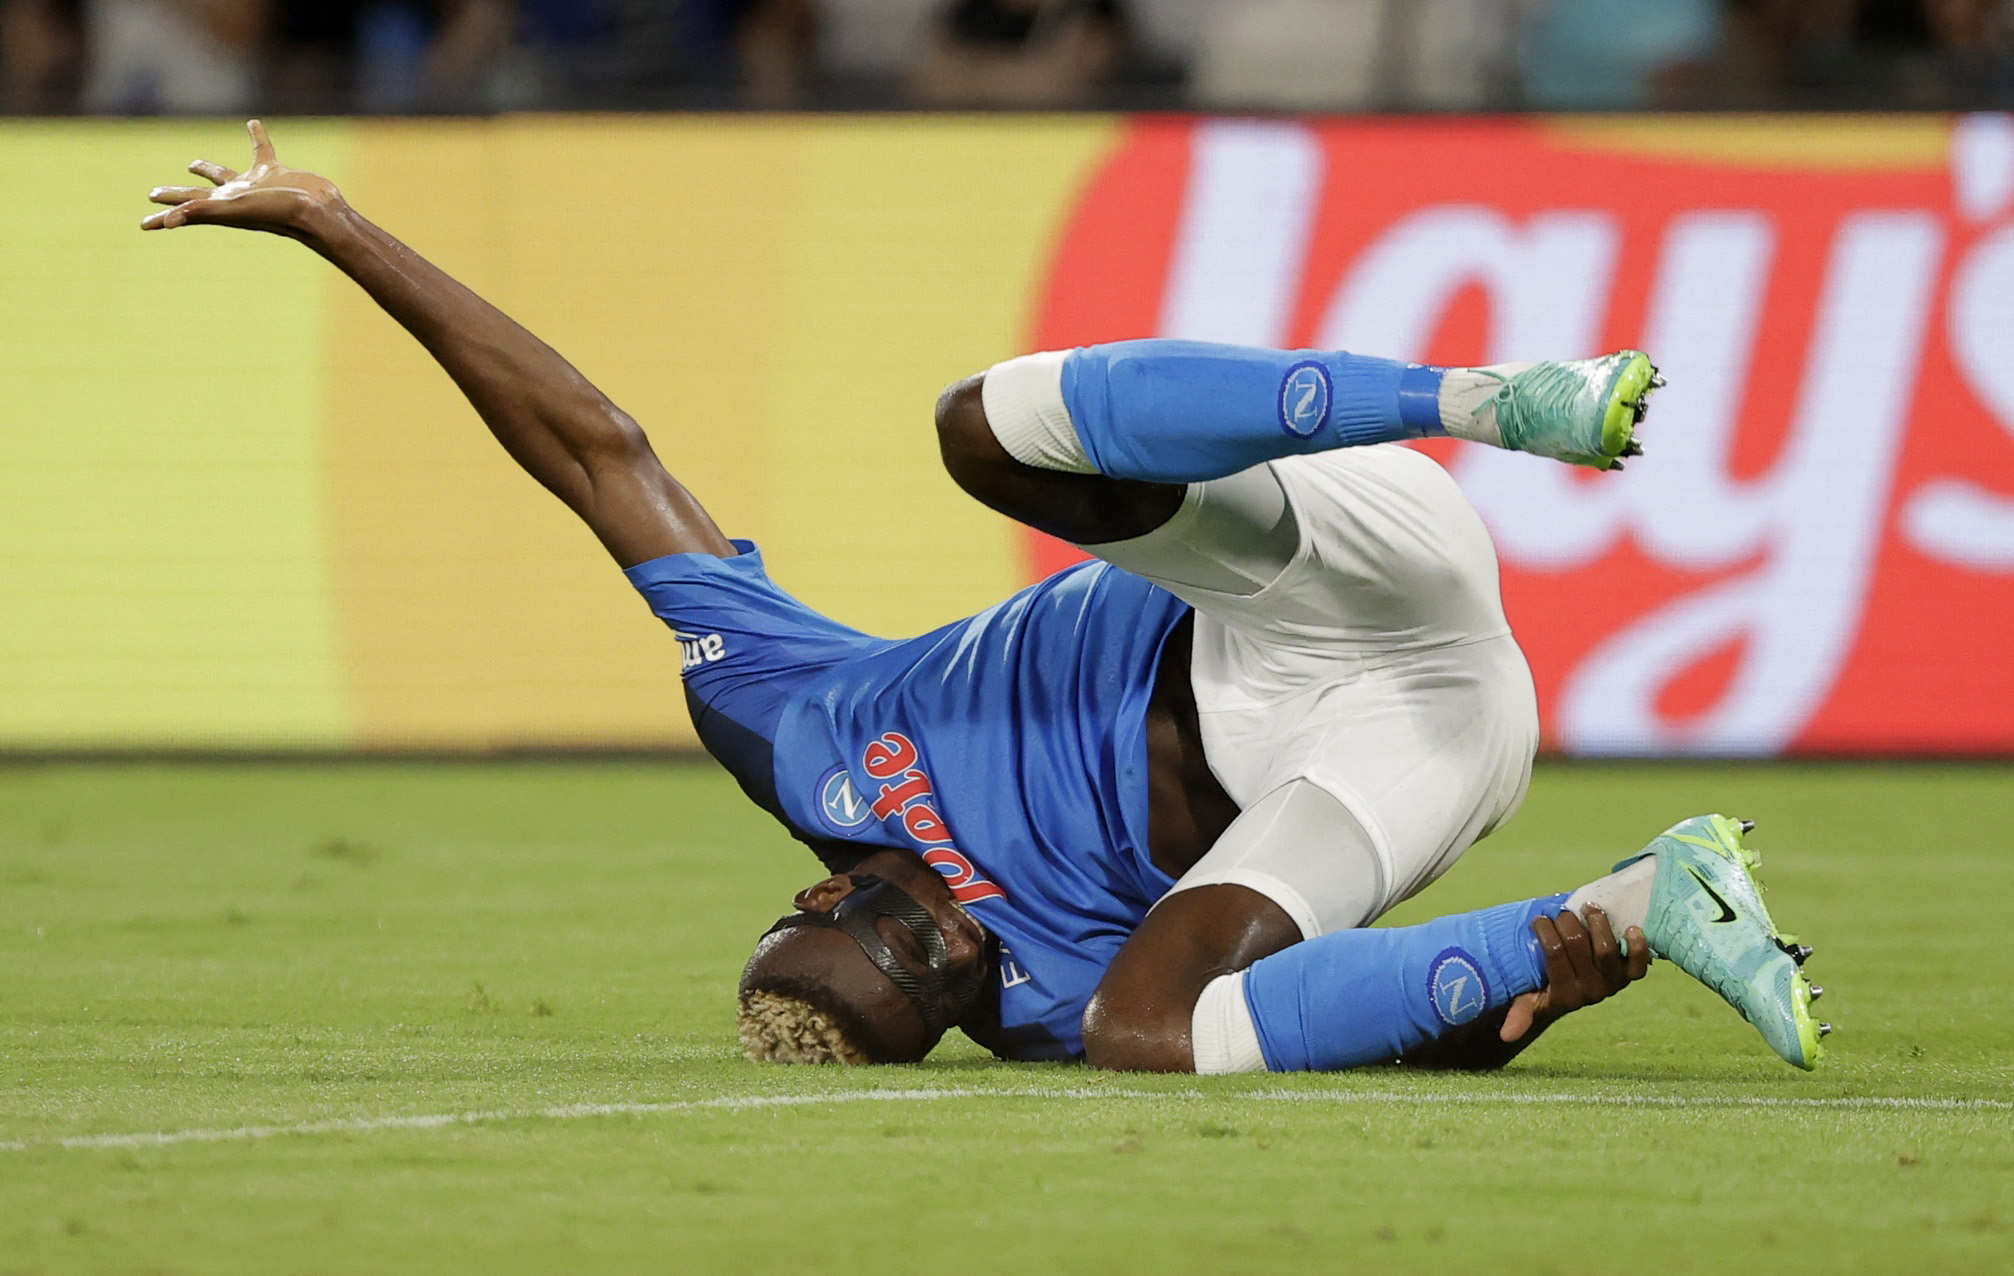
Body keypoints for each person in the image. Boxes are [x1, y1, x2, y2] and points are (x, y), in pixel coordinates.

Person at [142, 122, 1829, 1075]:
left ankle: (1477, 396)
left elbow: (596, 454)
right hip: (1415, 745)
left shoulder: (795, 730)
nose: (936, 948)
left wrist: (338, 230)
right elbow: (1378, 1027)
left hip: (1284, 596)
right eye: (931, 991)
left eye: (883, 937)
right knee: (1148, 1039)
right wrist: (1562, 969)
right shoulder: (1029, 1004)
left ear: (811, 905)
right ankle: (1649, 896)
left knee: (983, 429)